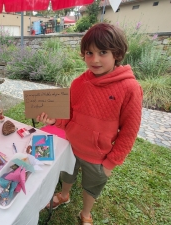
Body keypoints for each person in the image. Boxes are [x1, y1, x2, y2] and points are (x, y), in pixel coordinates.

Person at [36, 23, 143, 225]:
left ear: (117, 53)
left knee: (91, 186)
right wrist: (54, 120)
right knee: (68, 173)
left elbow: (130, 130)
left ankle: (85, 213)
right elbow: (68, 114)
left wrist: (112, 162)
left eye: (102, 52)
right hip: (71, 144)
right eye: (89, 52)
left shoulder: (130, 88)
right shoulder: (78, 83)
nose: (94, 59)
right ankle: (65, 195)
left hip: (98, 155)